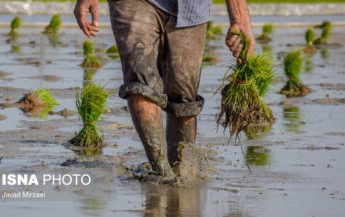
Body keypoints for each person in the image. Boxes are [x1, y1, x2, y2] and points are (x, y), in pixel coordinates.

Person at [74, 0, 254, 179]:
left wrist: (239, 17)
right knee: (139, 82)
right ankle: (162, 174)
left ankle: (180, 172)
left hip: (191, 8)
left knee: (184, 99)